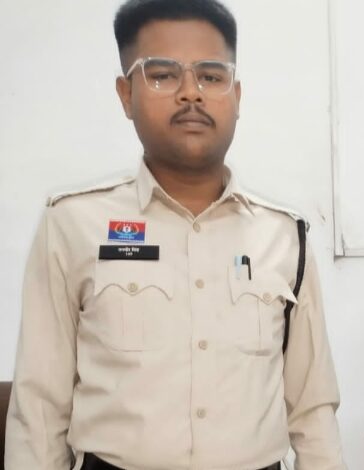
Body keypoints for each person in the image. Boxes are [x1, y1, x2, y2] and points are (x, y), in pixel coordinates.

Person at [5, 1, 346, 469]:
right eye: (163, 75)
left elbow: (312, 409)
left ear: (236, 95)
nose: (191, 93)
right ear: (126, 95)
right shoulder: (72, 223)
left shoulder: (283, 234)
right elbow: (40, 408)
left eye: (210, 76)